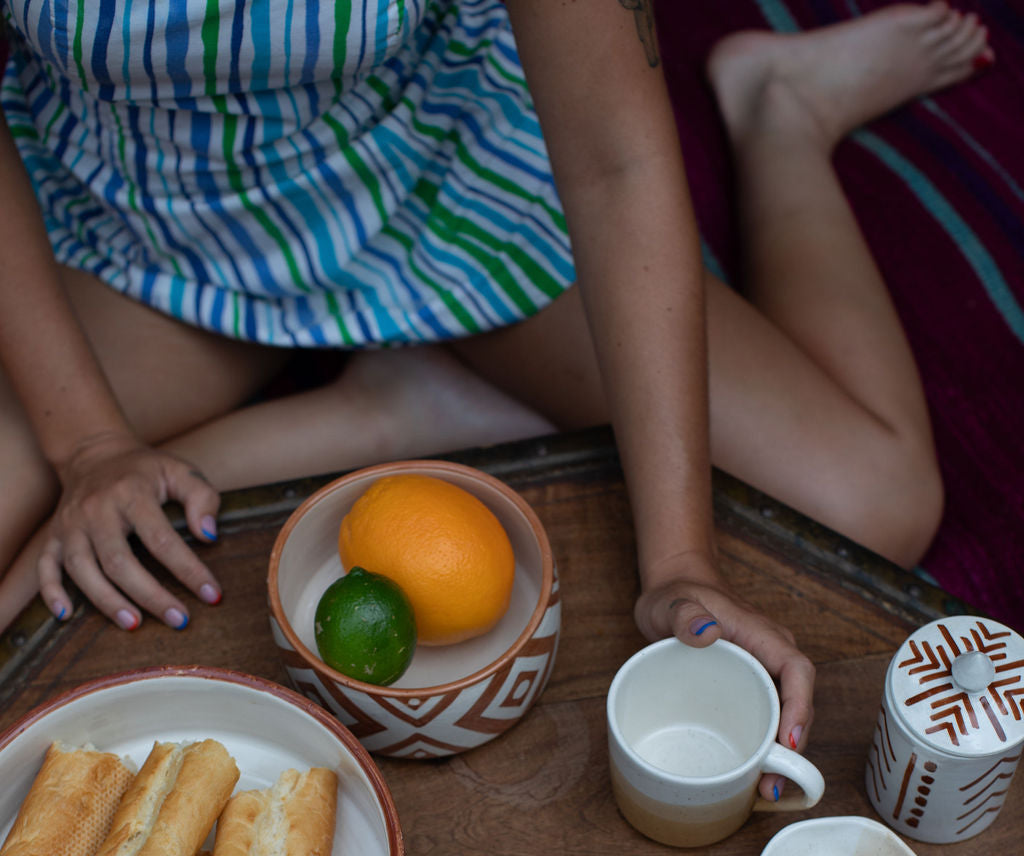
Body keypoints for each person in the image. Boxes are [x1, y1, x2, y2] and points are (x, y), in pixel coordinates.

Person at [0, 0, 993, 790]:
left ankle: (781, 112)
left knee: (869, 503)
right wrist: (86, 445)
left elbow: (614, 156)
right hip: (136, 224)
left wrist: (679, 560)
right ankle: (389, 411)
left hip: (437, 178)